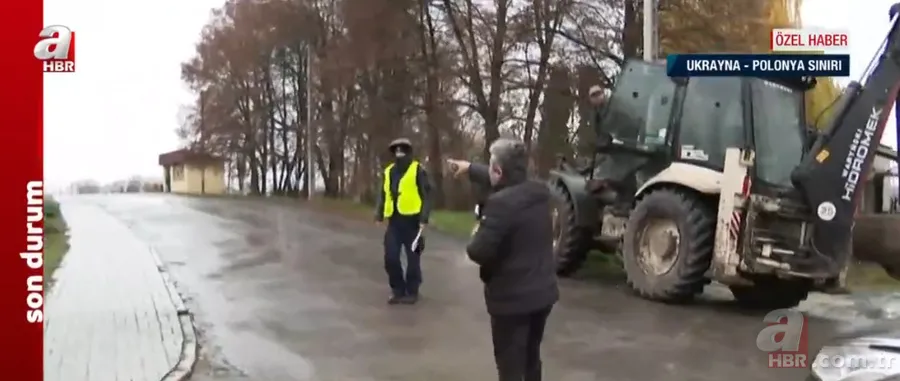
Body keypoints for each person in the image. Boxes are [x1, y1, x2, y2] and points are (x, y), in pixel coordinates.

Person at [446, 138, 558, 381]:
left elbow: (477, 251)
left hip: (512, 302)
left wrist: (479, 222)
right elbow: (504, 179)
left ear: (498, 171)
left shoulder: (499, 205)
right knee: (530, 358)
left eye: (490, 167)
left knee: (509, 367)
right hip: (542, 295)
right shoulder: (540, 191)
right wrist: (470, 169)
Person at [374, 138, 431, 305]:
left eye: (403, 151)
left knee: (413, 259)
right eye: (396, 151)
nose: (399, 154)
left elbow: (426, 195)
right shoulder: (388, 172)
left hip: (413, 222)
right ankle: (397, 289)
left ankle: (412, 291)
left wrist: (424, 218)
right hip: (394, 222)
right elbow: (382, 195)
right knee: (390, 257)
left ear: (408, 152)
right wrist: (379, 213)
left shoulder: (417, 170)